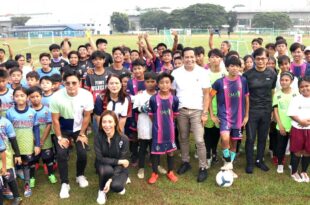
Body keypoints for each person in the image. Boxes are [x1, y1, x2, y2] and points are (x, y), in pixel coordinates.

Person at [50, 70, 93, 199]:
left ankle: (80, 175)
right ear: (64, 83)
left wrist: (82, 134)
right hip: (62, 128)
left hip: (79, 128)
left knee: (82, 152)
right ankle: (64, 183)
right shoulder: (56, 96)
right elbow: (55, 120)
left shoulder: (86, 95)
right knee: (62, 154)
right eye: (67, 83)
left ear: (79, 82)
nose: (71, 86)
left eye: (74, 83)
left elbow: (87, 116)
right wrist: (59, 138)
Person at [171, 47, 210, 182]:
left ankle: (203, 167)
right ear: (182, 58)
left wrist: (205, 113)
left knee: (199, 140)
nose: (189, 59)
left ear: (196, 57)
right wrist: (173, 110)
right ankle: (185, 162)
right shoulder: (176, 73)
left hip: (197, 111)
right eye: (186, 57)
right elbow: (172, 93)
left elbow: (206, 94)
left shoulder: (203, 72)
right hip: (181, 110)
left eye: (192, 56)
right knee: (183, 137)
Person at [210, 56, 249, 178]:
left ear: (240, 67)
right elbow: (209, 98)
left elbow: (247, 99)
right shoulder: (219, 82)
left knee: (234, 143)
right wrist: (212, 114)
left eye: (237, 66)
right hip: (224, 116)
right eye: (232, 66)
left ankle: (229, 166)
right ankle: (227, 161)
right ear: (227, 67)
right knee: (225, 138)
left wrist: (246, 116)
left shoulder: (243, 81)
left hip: (238, 117)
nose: (234, 68)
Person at [243, 48, 277, 174]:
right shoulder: (247, 75)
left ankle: (259, 160)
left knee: (263, 137)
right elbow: (245, 95)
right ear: (254, 59)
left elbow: (272, 91)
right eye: (258, 58)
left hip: (266, 110)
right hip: (252, 111)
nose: (261, 61)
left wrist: (273, 110)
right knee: (251, 138)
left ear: (267, 59)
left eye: (263, 58)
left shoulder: (272, 74)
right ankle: (250, 163)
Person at [6, 86, 41, 197]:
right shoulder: (9, 113)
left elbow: (36, 128)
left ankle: (27, 184)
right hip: (13, 145)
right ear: (13, 97)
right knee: (11, 165)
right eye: (17, 96)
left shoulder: (32, 112)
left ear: (27, 97)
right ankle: (8, 186)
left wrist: (37, 144)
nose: (19, 98)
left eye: (22, 95)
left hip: (27, 144)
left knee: (26, 164)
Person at [148, 72, 179, 184]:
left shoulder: (174, 99)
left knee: (170, 151)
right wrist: (157, 124)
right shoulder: (153, 99)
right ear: (158, 84)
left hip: (170, 130)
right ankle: (154, 172)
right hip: (158, 130)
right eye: (162, 82)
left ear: (171, 84)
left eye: (167, 82)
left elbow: (175, 114)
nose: (164, 85)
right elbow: (151, 115)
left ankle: (170, 171)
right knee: (156, 152)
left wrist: (168, 122)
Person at [94, 110, 129, 205]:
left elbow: (123, 162)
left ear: (115, 123)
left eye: (110, 121)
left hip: (120, 167)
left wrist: (110, 180)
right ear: (101, 124)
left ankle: (120, 178)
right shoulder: (98, 137)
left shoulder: (124, 139)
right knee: (106, 170)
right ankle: (101, 191)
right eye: (104, 122)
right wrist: (118, 161)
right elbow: (100, 158)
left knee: (117, 187)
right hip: (103, 164)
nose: (107, 125)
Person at [27, 86, 57, 188]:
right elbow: (28, 127)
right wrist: (35, 140)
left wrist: (42, 140)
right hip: (32, 140)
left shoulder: (47, 110)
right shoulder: (28, 111)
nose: (35, 99)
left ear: (41, 96)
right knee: (32, 160)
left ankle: (51, 174)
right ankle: (31, 178)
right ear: (29, 98)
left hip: (46, 139)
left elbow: (49, 125)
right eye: (32, 97)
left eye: (37, 96)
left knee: (48, 158)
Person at [204, 49, 227, 168]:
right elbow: (205, 94)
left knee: (218, 133)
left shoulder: (225, 73)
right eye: (212, 57)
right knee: (207, 133)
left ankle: (214, 152)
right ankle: (207, 154)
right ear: (209, 60)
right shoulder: (205, 74)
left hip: (222, 110)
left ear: (221, 59)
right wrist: (209, 113)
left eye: (217, 57)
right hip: (208, 109)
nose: (215, 59)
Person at [273, 72, 298, 174]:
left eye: (286, 80)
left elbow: (298, 110)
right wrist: (280, 125)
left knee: (293, 147)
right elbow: (275, 110)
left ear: (291, 82)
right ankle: (280, 164)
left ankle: (292, 164)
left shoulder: (296, 94)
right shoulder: (277, 94)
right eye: (282, 80)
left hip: (294, 126)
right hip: (281, 126)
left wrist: (295, 124)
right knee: (281, 146)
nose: (284, 82)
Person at [133, 72, 157, 179]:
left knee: (155, 146)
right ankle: (141, 167)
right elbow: (135, 109)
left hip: (156, 125)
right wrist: (143, 109)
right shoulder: (140, 95)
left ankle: (156, 164)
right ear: (144, 82)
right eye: (148, 81)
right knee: (142, 147)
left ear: (156, 82)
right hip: (144, 124)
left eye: (153, 81)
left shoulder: (159, 94)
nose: (150, 84)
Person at [287, 76, 310, 182]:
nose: (304, 88)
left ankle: (304, 171)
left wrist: (307, 122)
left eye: (307, 86)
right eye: (302, 87)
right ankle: (294, 172)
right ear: (299, 88)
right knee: (297, 150)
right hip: (297, 128)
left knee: (307, 151)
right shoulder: (296, 99)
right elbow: (291, 113)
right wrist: (301, 121)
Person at [0, 99, 22, 204]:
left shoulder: (6, 122)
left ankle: (17, 196)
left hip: (6, 154)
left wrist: (17, 154)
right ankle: (4, 191)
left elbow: (13, 139)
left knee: (8, 175)